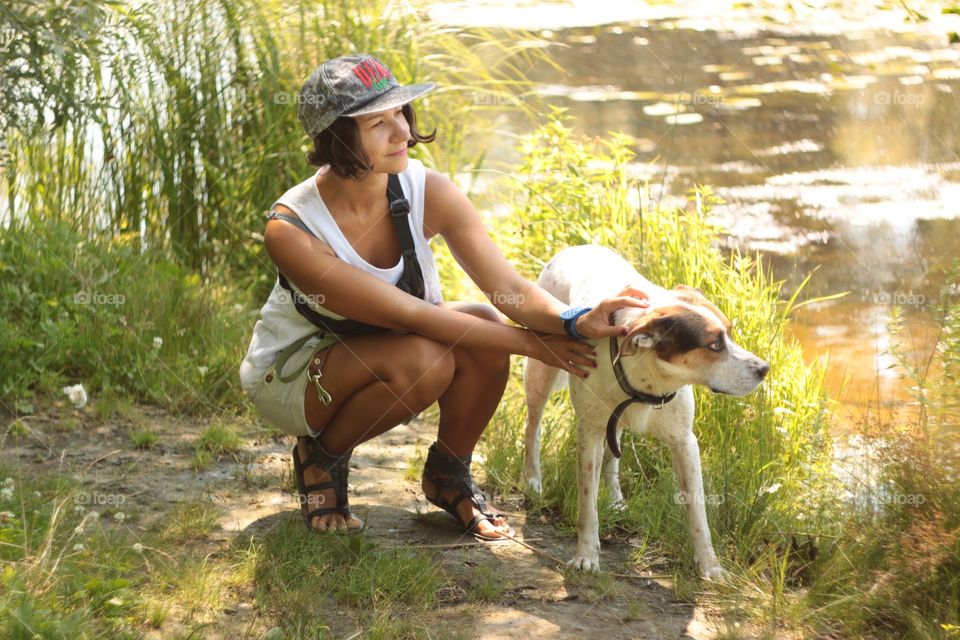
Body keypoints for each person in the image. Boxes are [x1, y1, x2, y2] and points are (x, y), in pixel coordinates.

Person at [238, 54, 649, 541]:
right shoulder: (292, 230)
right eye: (378, 124)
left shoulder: (428, 190)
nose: (403, 134)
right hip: (292, 374)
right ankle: (320, 458)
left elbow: (510, 290)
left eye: (401, 114)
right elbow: (412, 315)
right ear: (335, 139)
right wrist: (535, 347)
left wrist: (574, 320)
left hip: (390, 345)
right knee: (427, 357)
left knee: (476, 324)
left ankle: (448, 476)